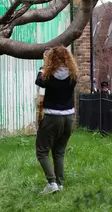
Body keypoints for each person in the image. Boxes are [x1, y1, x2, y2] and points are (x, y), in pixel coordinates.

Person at [35, 46, 77, 195]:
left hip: (53, 117)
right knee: (59, 151)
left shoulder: (49, 75)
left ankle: (52, 182)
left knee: (42, 151)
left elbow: (39, 81)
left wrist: (44, 65)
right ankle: (59, 183)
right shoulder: (73, 75)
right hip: (69, 117)